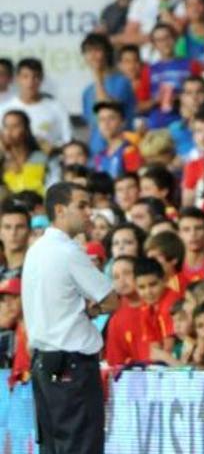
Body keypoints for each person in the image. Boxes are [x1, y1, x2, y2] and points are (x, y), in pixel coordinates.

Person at [22, 182, 119, 454]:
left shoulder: (36, 250)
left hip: (43, 363)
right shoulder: (68, 251)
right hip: (72, 367)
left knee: (53, 448)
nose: (89, 212)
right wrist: (92, 309)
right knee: (81, 447)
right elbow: (111, 299)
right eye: (82, 205)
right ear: (60, 210)